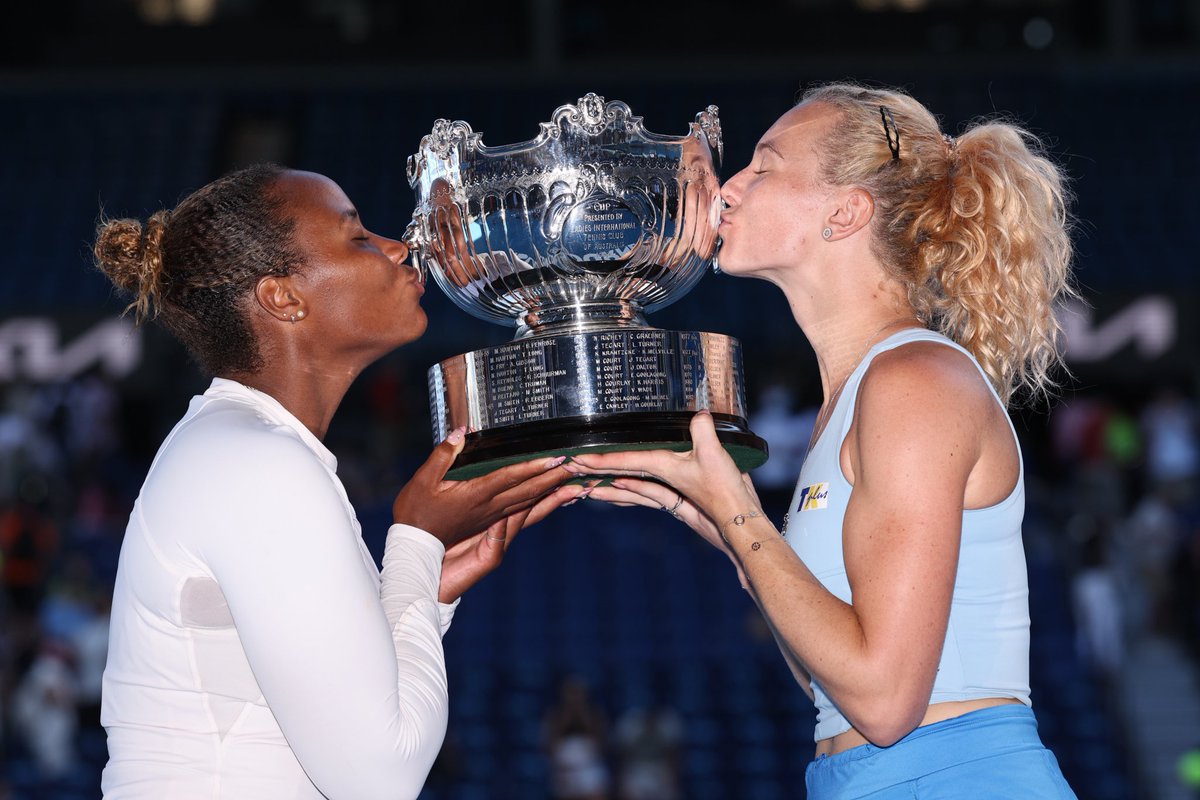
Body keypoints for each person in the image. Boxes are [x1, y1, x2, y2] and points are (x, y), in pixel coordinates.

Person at [565, 83, 1079, 798]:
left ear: (845, 213)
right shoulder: (860, 393)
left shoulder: (914, 381)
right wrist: (722, 521)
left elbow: (885, 703)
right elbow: (828, 682)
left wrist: (739, 515)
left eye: (764, 166)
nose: (729, 189)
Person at [91, 164, 586, 799]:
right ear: (283, 298)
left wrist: (424, 590)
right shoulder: (256, 462)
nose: (398, 248)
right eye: (358, 238)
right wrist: (416, 540)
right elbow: (382, 777)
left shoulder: (240, 447)